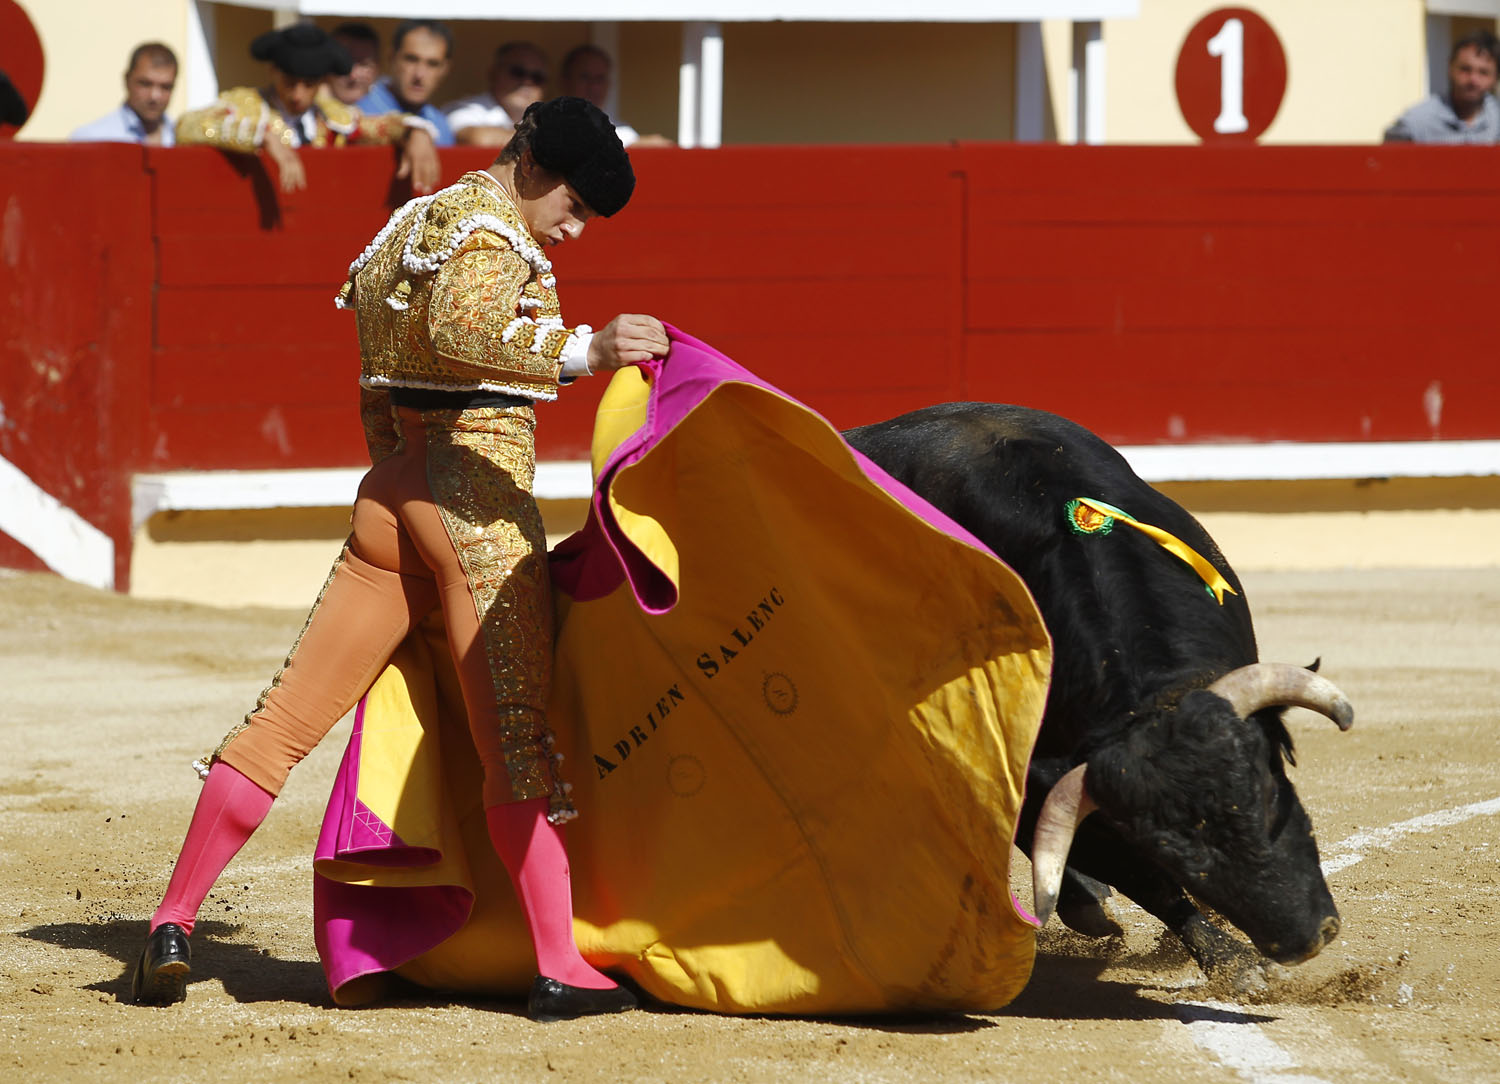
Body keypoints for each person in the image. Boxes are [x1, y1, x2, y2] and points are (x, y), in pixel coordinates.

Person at [129, 95, 670, 1022]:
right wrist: (584, 349)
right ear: (535, 168)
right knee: (516, 738)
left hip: (393, 496)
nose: (575, 230)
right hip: (474, 512)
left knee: (281, 720)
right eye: (575, 207)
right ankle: (557, 964)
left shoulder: (413, 222)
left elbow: (380, 365)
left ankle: (172, 920)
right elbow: (463, 331)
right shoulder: (490, 235)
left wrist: (394, 469)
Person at [176, 23, 439, 195]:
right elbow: (186, 126)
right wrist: (261, 136)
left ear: (322, 80)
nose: (299, 94)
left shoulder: (332, 116)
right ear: (273, 71)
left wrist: (415, 132)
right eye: (290, 82)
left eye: (309, 84)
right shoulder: (246, 105)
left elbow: (381, 126)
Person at [1384, 29, 1500, 143]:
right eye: (1465, 69)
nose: (1473, 80)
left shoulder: (1496, 123)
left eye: (1483, 72)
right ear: (1450, 68)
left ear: (1496, 78)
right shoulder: (1415, 123)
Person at [357, 18, 455, 146]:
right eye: (411, 59)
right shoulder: (358, 108)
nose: (419, 74)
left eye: (432, 64)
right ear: (391, 58)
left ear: (445, 69)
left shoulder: (442, 127)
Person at [558, 44, 672, 148]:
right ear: (565, 81)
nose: (593, 86)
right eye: (585, 77)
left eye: (600, 79)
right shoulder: (550, 122)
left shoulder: (621, 129)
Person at [442, 41, 549, 147]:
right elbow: (478, 139)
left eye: (537, 77)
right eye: (518, 72)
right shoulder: (464, 108)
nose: (527, 82)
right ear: (493, 73)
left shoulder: (547, 118)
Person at [70, 42, 177, 146]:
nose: (155, 96)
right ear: (127, 80)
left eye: (166, 87)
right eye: (145, 84)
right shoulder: (91, 139)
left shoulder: (181, 140)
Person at [326, 22, 381, 106]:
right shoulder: (305, 112)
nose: (353, 75)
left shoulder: (394, 114)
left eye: (364, 64)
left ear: (377, 69)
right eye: (344, 62)